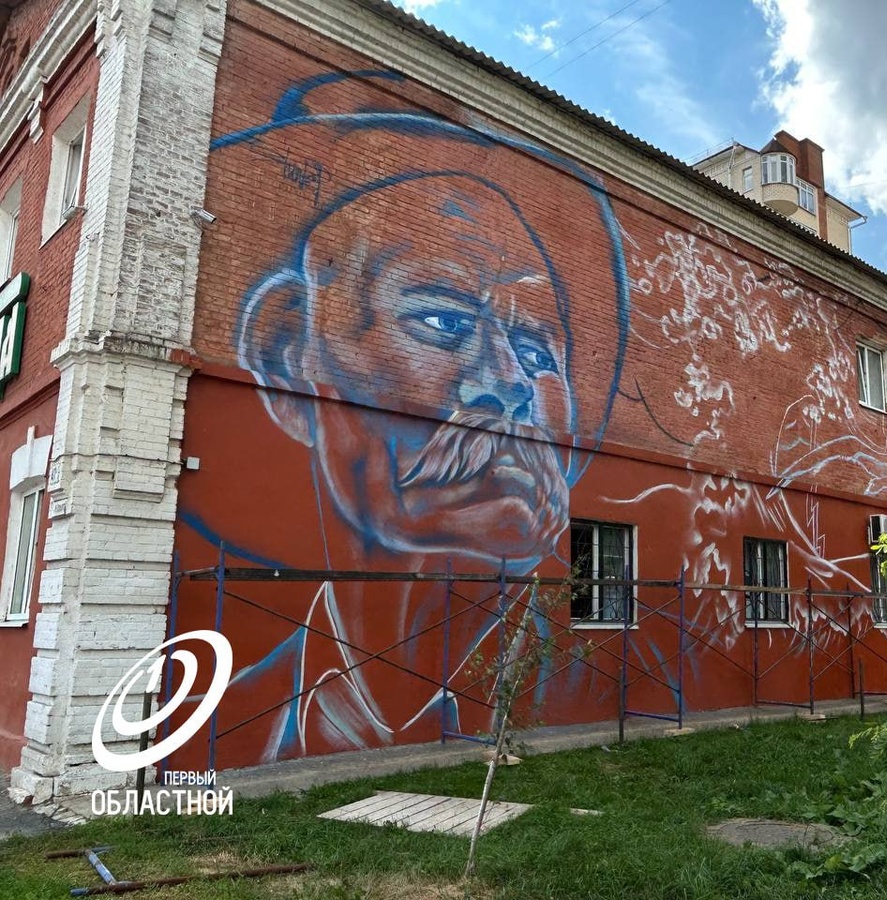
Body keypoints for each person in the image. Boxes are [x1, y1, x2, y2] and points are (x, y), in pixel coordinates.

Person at [185, 71, 631, 761]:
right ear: (287, 356)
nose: (510, 384)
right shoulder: (236, 717)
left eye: (536, 352)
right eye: (444, 321)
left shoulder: (616, 685)